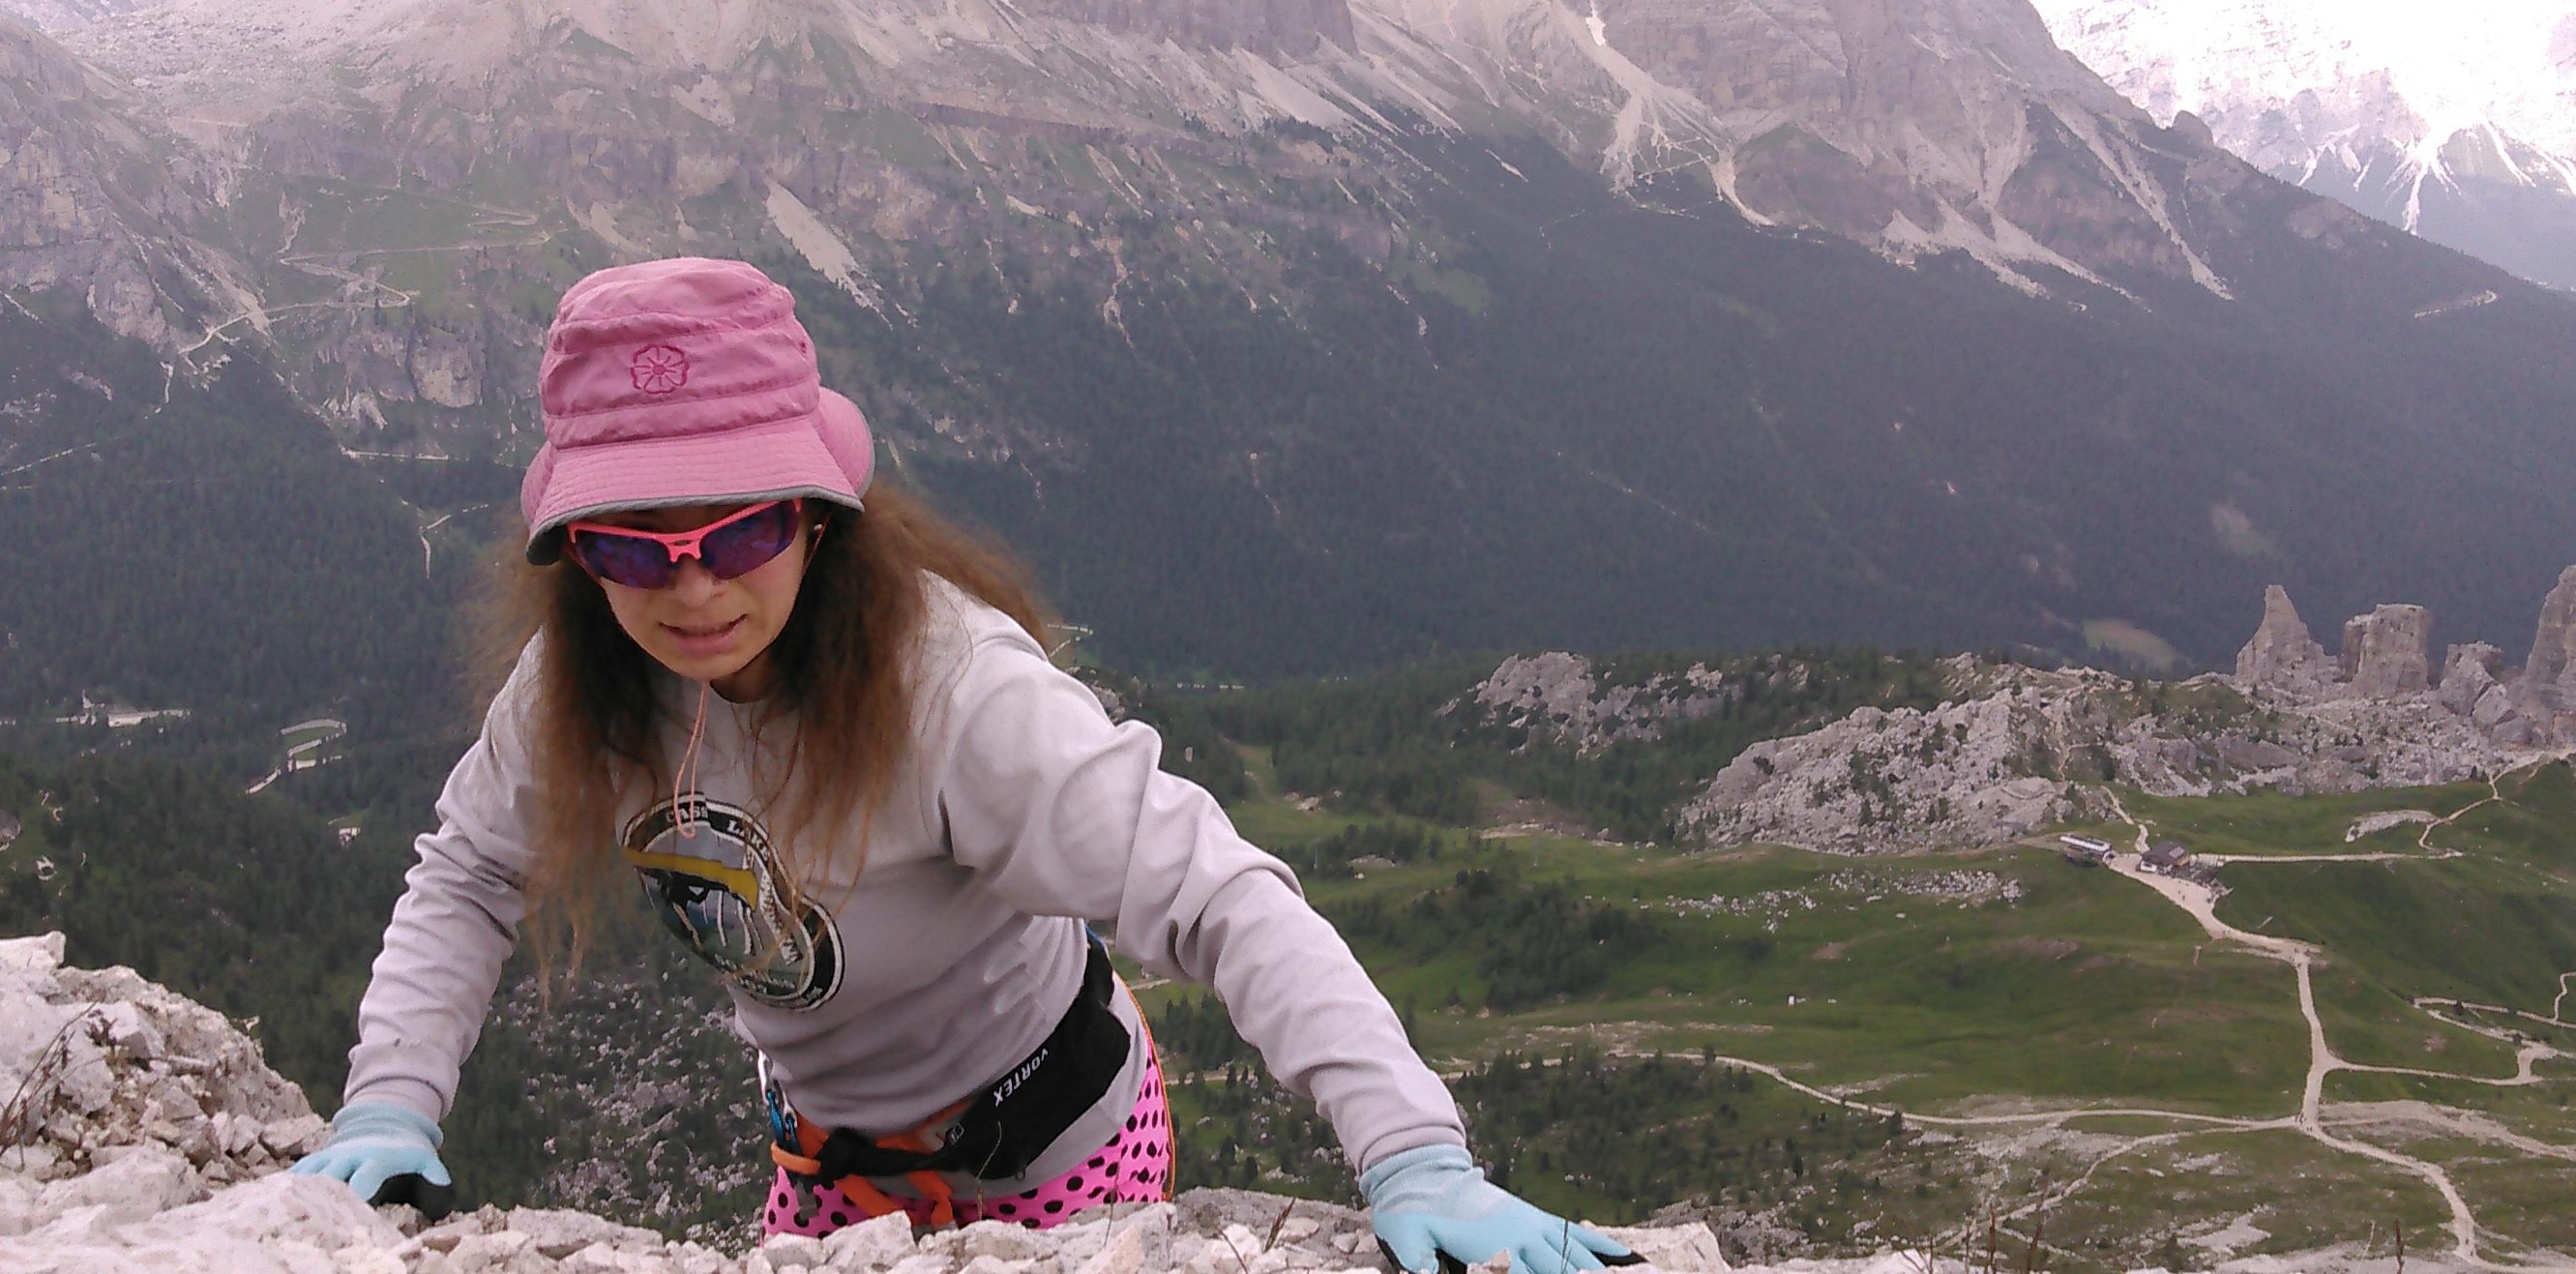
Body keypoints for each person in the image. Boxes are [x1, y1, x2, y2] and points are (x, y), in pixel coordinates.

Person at [298, 257, 1637, 1274]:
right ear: (576, 554)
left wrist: (1413, 1156)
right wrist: (391, 1102)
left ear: (818, 515)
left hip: (1057, 1152)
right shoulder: (583, 677)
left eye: (741, 529)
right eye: (631, 544)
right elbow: (471, 873)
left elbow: (1216, 892)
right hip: (825, 1165)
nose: (692, 586)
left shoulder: (952, 691)